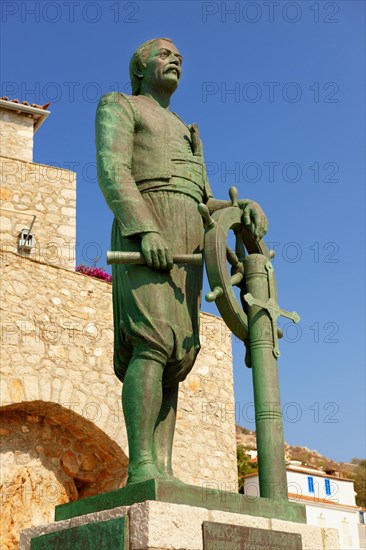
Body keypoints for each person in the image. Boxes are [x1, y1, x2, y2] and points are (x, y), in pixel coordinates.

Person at [96, 38, 268, 484]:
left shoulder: (187, 128)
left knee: (179, 352)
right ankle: (141, 467)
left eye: (179, 57)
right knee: (151, 342)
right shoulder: (120, 106)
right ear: (139, 67)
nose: (175, 60)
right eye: (164, 54)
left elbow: (204, 199)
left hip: (190, 244)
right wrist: (144, 227)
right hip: (148, 231)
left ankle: (165, 469)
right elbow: (112, 169)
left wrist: (241, 208)